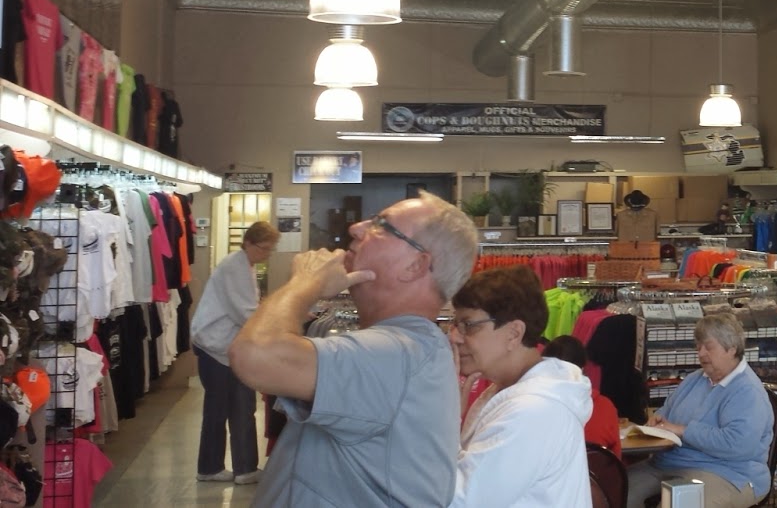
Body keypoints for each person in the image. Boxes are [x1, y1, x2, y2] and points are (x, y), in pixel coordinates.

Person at [231, 192, 479, 507]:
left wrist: (305, 283)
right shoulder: (410, 348)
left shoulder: (398, 354)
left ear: (415, 265)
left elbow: (255, 354)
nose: (356, 228)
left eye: (382, 225)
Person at [448, 266, 592, 508]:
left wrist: (443, 416)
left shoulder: (534, 410)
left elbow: (457, 501)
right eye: (455, 324)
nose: (454, 336)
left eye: (468, 325)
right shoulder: (507, 392)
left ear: (514, 333)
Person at [625, 313, 773, 508]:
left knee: (679, 505)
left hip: (729, 473)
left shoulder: (747, 391)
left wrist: (683, 430)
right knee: (612, 488)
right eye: (698, 347)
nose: (701, 353)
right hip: (669, 462)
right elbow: (666, 411)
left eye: (709, 347)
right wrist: (657, 421)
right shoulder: (695, 379)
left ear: (731, 349)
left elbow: (738, 445)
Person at [190, 220, 279, 485]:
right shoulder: (234, 266)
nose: (266, 254)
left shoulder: (245, 265)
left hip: (227, 347)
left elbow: (249, 308)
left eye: (270, 249)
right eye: (263, 248)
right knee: (222, 409)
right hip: (216, 347)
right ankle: (212, 468)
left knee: (240, 406)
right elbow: (245, 313)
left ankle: (244, 467)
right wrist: (280, 323)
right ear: (248, 243)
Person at [543, 334, 621, 456]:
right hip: (595, 468)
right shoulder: (605, 406)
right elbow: (615, 457)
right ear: (583, 368)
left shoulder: (532, 405)